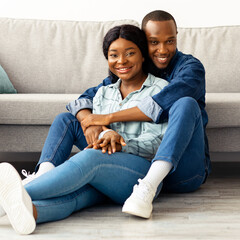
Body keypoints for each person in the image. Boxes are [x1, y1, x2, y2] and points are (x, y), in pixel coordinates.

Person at [0, 24, 169, 235]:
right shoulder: (104, 93)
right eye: (114, 55)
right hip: (105, 176)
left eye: (130, 53)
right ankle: (32, 212)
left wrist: (119, 142)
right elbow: (91, 125)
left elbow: (159, 143)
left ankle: (6, 195)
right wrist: (103, 132)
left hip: (138, 175)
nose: (121, 61)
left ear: (143, 56)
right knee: (79, 191)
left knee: (91, 157)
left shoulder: (160, 89)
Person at [24, 10, 210, 197]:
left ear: (176, 37)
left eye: (169, 41)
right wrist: (93, 124)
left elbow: (158, 106)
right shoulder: (132, 68)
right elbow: (84, 100)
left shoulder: (190, 68)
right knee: (67, 120)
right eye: (154, 42)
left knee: (185, 103)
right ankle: (41, 176)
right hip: (132, 163)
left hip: (181, 171)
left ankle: (149, 185)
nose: (162, 50)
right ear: (143, 44)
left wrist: (106, 118)